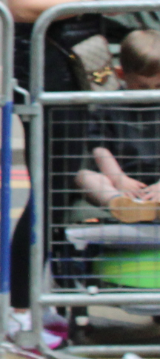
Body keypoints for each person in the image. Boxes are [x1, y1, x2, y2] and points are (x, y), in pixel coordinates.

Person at [0, 0, 106, 344]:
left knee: (57, 191)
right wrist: (84, 3)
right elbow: (21, 2)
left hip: (64, 68)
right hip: (47, 70)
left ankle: (39, 304)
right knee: (48, 194)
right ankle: (22, 311)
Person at [73, 31, 160, 222]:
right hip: (122, 181)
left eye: (158, 86)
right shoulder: (109, 103)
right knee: (84, 177)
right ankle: (118, 204)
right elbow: (100, 147)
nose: (151, 94)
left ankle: (154, 208)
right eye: (142, 87)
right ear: (121, 74)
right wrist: (119, 179)